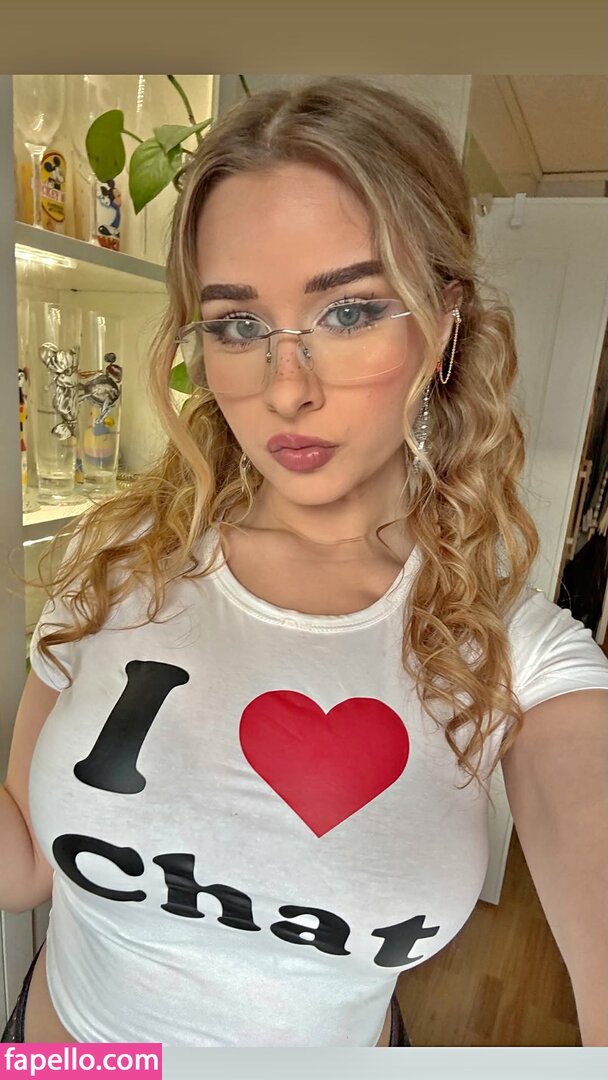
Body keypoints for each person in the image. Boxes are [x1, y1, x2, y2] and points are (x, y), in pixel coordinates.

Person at [2, 77, 608, 1049]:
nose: (286, 388)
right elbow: (27, 869)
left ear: (444, 322)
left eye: (349, 312)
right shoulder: (114, 565)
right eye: (238, 324)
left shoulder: (518, 657)